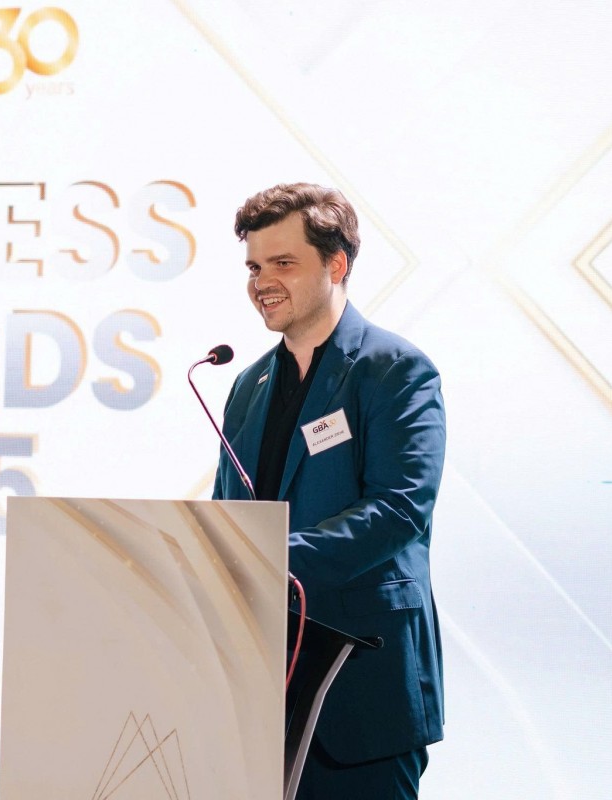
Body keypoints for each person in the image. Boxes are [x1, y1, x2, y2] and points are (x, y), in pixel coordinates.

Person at [212, 183, 445, 799]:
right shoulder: (247, 385)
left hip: (362, 685)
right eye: (254, 267)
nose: (263, 282)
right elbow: (227, 516)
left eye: (283, 263)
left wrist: (269, 560)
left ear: (336, 263)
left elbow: (399, 508)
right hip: (257, 691)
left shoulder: (394, 370)